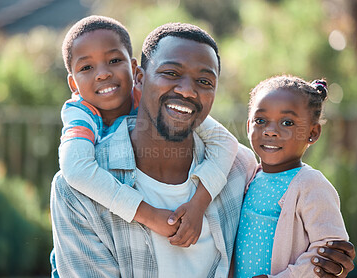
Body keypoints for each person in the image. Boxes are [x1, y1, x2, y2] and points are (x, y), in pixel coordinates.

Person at [50, 22, 355, 277]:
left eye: (204, 81)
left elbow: (287, 244)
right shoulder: (77, 191)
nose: (187, 89)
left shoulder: (242, 172)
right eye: (170, 73)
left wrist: (325, 264)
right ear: (140, 79)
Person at [57, 15, 239, 249]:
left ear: (135, 70)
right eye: (87, 67)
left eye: (114, 60)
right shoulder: (80, 113)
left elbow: (226, 142)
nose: (102, 74)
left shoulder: (155, 96)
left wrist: (198, 205)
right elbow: (76, 170)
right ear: (73, 85)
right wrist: (149, 215)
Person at [232, 76, 349, 278]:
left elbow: (329, 251)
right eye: (261, 121)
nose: (270, 131)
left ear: (312, 133)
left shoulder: (311, 184)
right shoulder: (249, 177)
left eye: (287, 122)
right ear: (248, 125)